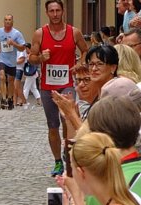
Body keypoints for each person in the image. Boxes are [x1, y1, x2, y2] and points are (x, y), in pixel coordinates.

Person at [28, 0, 89, 176]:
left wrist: (80, 63)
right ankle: (57, 162)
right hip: (47, 86)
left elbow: (85, 51)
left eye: (58, 10)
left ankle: (68, 154)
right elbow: (31, 57)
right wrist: (40, 58)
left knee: (68, 119)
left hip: (67, 84)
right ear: (47, 13)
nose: (55, 14)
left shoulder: (73, 32)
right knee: (52, 125)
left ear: (63, 12)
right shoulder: (40, 34)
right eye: (51, 11)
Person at [0, 15, 26, 110]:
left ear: (12, 22)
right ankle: (3, 98)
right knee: (2, 76)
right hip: (1, 59)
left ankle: (10, 99)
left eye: (9, 20)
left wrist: (14, 43)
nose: (7, 22)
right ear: (3, 21)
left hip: (11, 61)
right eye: (6, 20)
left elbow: (23, 47)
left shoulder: (17, 33)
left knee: (11, 80)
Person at [22, 43, 42, 108]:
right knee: (33, 88)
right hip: (33, 73)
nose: (25, 50)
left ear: (28, 48)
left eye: (26, 48)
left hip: (31, 74)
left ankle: (24, 101)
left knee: (26, 87)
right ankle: (39, 100)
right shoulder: (30, 54)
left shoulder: (30, 55)